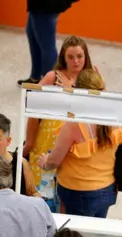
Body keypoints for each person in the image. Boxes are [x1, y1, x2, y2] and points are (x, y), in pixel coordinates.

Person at [38, 70, 122, 218]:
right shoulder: (115, 119)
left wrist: (45, 162)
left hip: (78, 192)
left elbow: (54, 161)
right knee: (94, 235)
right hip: (107, 190)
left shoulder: (75, 125)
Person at [23, 36, 96, 212]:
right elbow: (32, 107)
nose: (76, 61)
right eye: (70, 57)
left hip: (77, 146)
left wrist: (72, 90)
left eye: (79, 56)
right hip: (45, 144)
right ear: (63, 57)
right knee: (41, 199)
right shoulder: (52, 77)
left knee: (67, 197)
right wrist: (29, 142)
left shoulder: (93, 78)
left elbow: (101, 109)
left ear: (86, 56)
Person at [17, 0, 79, 85]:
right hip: (41, 4)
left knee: (47, 45)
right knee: (33, 35)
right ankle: (35, 77)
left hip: (45, 4)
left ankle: (51, 84)